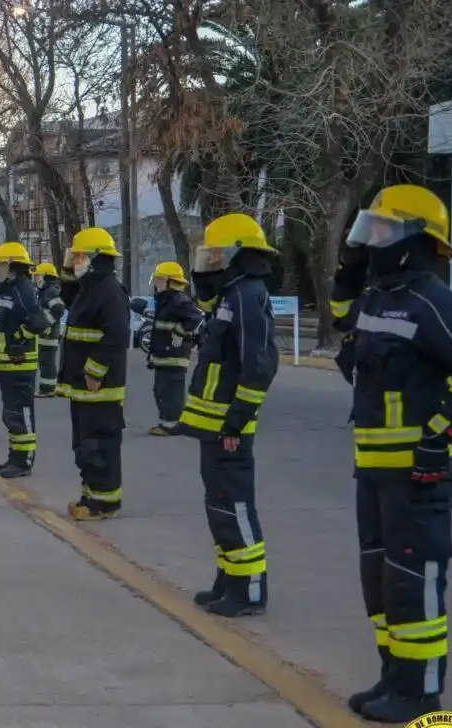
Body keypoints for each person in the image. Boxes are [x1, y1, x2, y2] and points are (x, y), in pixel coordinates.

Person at [329, 185, 452, 723]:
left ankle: (420, 693)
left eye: (381, 231)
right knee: (380, 582)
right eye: (370, 229)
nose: (372, 239)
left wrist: (438, 437)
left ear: (412, 240)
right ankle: (393, 679)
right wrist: (347, 269)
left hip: (415, 475)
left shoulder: (432, 300)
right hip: (374, 472)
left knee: (413, 582)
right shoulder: (381, 296)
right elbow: (343, 321)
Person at [180, 213, 279, 619]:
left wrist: (237, 420)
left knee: (234, 505)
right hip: (214, 425)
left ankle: (250, 589)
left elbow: (258, 364)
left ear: (238, 254)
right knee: (219, 504)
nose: (210, 261)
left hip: (229, 427)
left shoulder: (247, 295)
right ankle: (229, 577)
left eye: (218, 254)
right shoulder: (230, 294)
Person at [58, 229, 130, 519]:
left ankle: (104, 503)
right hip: (83, 385)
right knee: (85, 444)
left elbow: (116, 336)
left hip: (99, 385)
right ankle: (90, 495)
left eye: (80, 256)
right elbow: (67, 295)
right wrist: (67, 267)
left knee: (100, 443)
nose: (76, 261)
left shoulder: (109, 290)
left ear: (96, 259)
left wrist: (95, 370)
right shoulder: (90, 287)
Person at [0, 242, 51, 479]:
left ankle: (24, 461)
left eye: (0, 265)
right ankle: (14, 456)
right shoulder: (10, 288)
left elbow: (39, 321)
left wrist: (19, 338)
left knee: (21, 412)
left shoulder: (22, 289)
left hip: (20, 363)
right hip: (8, 363)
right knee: (11, 414)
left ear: (11, 265)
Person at [138, 261, 202, 436]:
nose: (156, 284)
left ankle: (172, 426)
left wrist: (179, 332)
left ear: (169, 282)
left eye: (159, 280)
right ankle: (166, 422)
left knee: (170, 391)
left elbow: (196, 317)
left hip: (174, 356)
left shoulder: (179, 300)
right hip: (164, 355)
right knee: (161, 390)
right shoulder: (167, 301)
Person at [33, 261, 65, 397]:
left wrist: (46, 323)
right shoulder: (46, 291)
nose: (36, 278)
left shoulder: (50, 291)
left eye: (38, 276)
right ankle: (47, 388)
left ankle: (48, 389)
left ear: (46, 276)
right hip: (47, 333)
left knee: (47, 361)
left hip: (49, 333)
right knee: (45, 360)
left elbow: (58, 309)